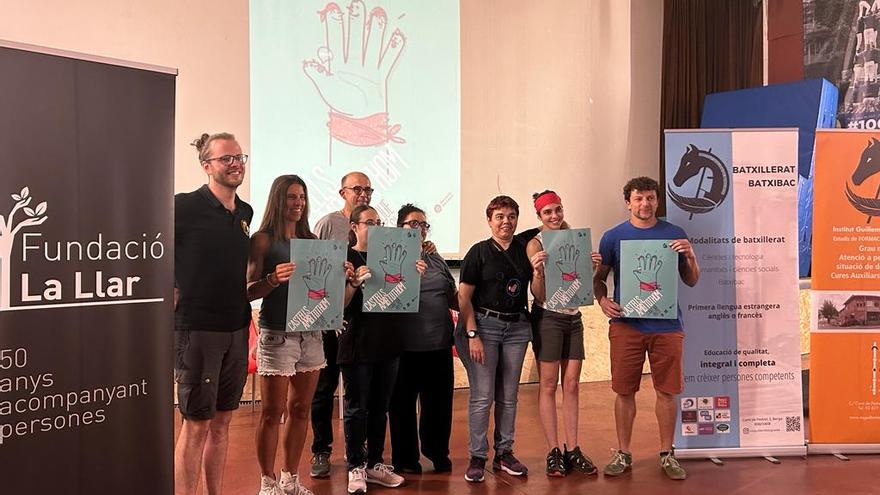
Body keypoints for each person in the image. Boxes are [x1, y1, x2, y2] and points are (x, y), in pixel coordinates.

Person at [592, 176, 700, 481]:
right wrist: (602, 300)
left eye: (650, 198)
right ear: (628, 202)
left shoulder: (674, 234)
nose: (645, 204)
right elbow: (599, 278)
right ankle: (623, 453)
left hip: (667, 326)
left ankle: (667, 453)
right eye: (639, 198)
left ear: (657, 201)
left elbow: (691, 280)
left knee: (667, 391)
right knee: (624, 391)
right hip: (626, 325)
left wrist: (690, 255)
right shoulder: (613, 237)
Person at [174, 132, 253, 495]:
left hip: (236, 327)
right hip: (197, 330)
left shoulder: (245, 213)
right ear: (207, 166)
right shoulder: (183, 206)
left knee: (222, 424)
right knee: (196, 425)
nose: (236, 163)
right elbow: (152, 251)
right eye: (227, 159)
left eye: (240, 157)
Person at [248, 175, 337, 495]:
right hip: (277, 335)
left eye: (301, 197)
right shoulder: (262, 241)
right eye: (290, 197)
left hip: (311, 334)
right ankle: (267, 482)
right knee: (272, 412)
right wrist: (272, 278)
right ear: (277, 200)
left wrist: (342, 276)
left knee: (301, 409)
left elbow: (323, 291)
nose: (298, 203)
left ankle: (290, 478)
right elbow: (246, 291)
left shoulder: (313, 240)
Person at [341, 205, 427, 494]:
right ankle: (355, 466)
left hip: (389, 341)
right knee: (357, 408)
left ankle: (374, 463)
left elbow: (401, 293)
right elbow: (337, 305)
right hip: (357, 342)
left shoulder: (393, 254)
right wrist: (353, 284)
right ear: (354, 227)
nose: (375, 226)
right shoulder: (345, 257)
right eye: (369, 222)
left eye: (379, 221)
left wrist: (414, 274)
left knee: (380, 408)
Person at [454, 195, 540, 483]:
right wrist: (472, 334)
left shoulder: (524, 246)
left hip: (517, 329)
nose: (506, 221)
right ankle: (478, 456)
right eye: (500, 216)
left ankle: (504, 453)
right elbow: (463, 298)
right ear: (489, 220)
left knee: (509, 396)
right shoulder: (477, 252)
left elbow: (556, 225)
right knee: (482, 396)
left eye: (511, 216)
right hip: (484, 327)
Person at [526, 190, 601, 477]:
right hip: (548, 317)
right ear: (539, 216)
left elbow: (584, 287)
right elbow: (539, 294)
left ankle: (573, 449)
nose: (554, 216)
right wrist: (538, 272)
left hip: (574, 318)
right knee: (548, 385)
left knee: (571, 385)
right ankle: (553, 450)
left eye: (557, 210)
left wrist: (593, 268)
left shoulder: (576, 239)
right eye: (548, 212)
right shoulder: (536, 244)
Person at [309, 171, 373, 478]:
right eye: (356, 189)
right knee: (324, 388)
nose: (363, 194)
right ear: (342, 192)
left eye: (367, 189)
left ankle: (356, 451)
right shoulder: (327, 223)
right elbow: (315, 267)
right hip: (327, 322)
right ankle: (321, 449)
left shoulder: (373, 228)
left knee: (358, 393)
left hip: (359, 324)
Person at [388, 204, 458, 475]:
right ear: (400, 228)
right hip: (404, 347)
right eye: (413, 224)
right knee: (402, 406)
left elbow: (451, 294)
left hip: (438, 344)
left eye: (424, 225)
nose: (420, 229)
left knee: (439, 406)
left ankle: (438, 452)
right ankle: (405, 458)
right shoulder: (390, 257)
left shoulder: (436, 258)